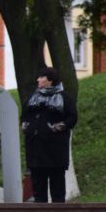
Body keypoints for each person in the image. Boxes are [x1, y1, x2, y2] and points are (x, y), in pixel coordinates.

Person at [21, 67, 78, 203]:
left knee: (57, 189)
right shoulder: (32, 97)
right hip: (35, 150)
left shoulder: (63, 97)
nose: (38, 80)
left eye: (41, 77)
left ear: (50, 80)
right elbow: (24, 115)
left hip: (55, 151)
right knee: (38, 190)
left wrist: (59, 126)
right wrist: (25, 126)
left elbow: (72, 118)